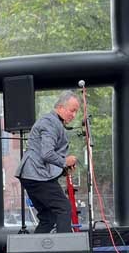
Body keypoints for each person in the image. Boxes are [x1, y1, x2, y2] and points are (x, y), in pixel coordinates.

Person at [15, 91, 80, 233]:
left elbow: (44, 154)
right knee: (64, 208)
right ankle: (65, 252)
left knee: (48, 217)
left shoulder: (52, 122)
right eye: (72, 110)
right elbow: (47, 153)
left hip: (31, 175)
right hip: (36, 175)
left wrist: (63, 169)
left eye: (76, 112)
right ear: (61, 107)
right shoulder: (50, 122)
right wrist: (65, 161)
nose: (74, 115)